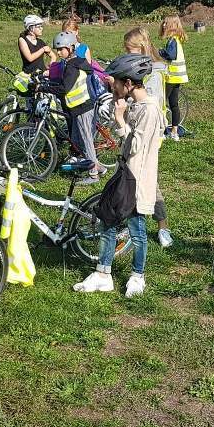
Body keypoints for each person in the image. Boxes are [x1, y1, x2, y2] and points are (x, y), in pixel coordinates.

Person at [73, 54, 163, 297]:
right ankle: (103, 274)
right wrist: (118, 112)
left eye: (116, 82)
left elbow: (135, 147)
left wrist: (120, 119)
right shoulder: (133, 104)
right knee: (108, 221)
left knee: (137, 229)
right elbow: (122, 138)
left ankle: (137, 276)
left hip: (136, 180)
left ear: (129, 83)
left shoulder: (149, 109)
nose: (113, 86)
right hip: (124, 174)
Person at [123, 27, 174, 248]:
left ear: (142, 48)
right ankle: (129, 219)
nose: (127, 54)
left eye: (130, 50)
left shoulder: (153, 73)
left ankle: (162, 226)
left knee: (148, 181)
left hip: (150, 132)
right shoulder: (139, 69)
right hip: (138, 127)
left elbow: (151, 102)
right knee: (132, 176)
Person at [51, 31, 104, 184]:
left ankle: (93, 174)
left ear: (71, 48)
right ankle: (99, 167)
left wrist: (42, 88)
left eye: (61, 49)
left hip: (83, 107)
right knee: (77, 140)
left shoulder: (72, 66)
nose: (58, 52)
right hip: (79, 107)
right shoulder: (76, 62)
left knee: (86, 141)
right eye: (57, 49)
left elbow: (64, 88)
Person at [159, 16, 189, 140]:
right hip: (178, 77)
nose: (163, 25)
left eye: (166, 23)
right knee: (174, 104)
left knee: (161, 103)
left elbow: (171, 55)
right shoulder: (177, 39)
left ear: (172, 26)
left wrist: (161, 52)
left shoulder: (172, 41)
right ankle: (174, 132)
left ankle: (160, 131)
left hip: (171, 77)